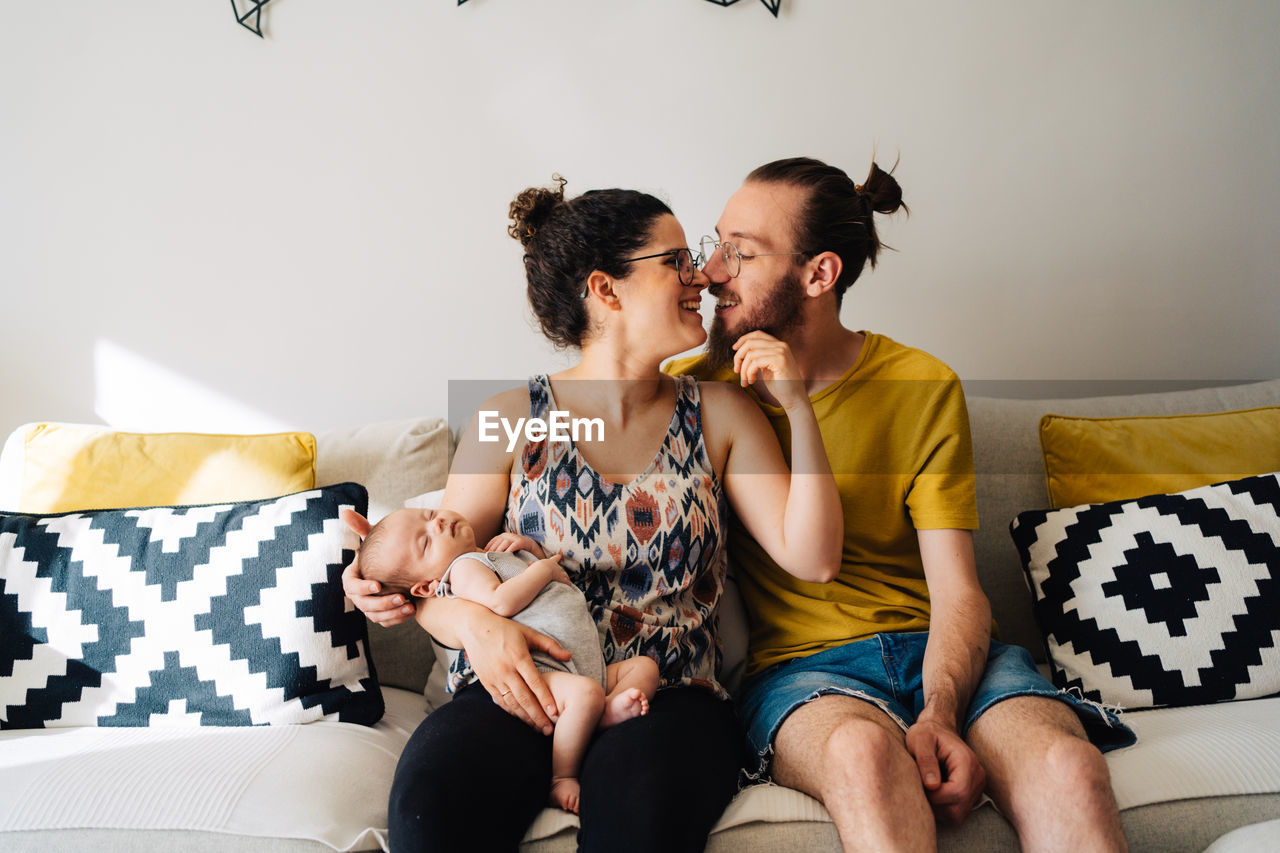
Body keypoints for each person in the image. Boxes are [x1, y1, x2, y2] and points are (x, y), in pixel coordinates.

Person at [344, 175, 844, 852]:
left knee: (638, 822)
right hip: (517, 686)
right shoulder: (505, 420)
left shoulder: (724, 414)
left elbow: (813, 556)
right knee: (432, 812)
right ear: (606, 290)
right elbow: (441, 576)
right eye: (675, 262)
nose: (699, 275)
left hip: (666, 695)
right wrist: (474, 628)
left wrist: (798, 409)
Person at [663, 156, 1137, 852]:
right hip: (805, 670)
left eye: (741, 251)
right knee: (863, 755)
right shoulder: (696, 390)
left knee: (1067, 764)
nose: (710, 270)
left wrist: (941, 710)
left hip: (945, 654)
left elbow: (959, 591)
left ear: (819, 274)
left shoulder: (920, 384)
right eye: (716, 243)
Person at [341, 505, 659, 814]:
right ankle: (563, 776)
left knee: (644, 668)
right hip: (545, 670)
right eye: (425, 542)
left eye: (429, 514)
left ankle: (601, 713)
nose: (436, 523)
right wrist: (543, 567)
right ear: (426, 586)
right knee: (586, 693)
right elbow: (500, 601)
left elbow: (527, 584)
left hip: (586, 662)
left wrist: (527, 549)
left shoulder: (489, 554)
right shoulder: (462, 569)